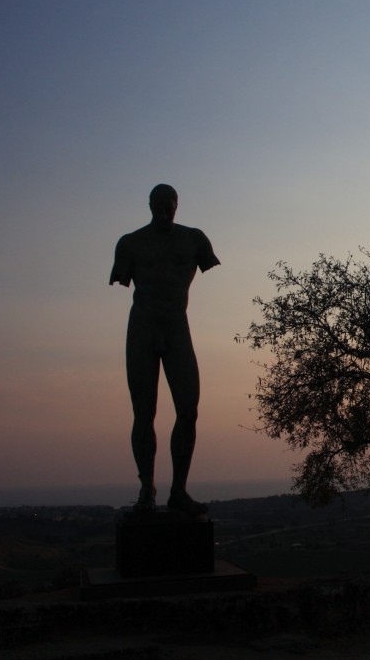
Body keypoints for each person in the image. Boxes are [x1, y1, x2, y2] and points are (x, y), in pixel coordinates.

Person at [110, 184, 220, 516]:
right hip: (142, 328)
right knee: (144, 413)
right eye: (157, 204)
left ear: (176, 205)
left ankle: (178, 491)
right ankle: (147, 488)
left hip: (176, 326)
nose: (163, 209)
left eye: (168, 204)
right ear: (149, 206)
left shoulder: (194, 239)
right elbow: (123, 278)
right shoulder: (130, 243)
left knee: (188, 409)